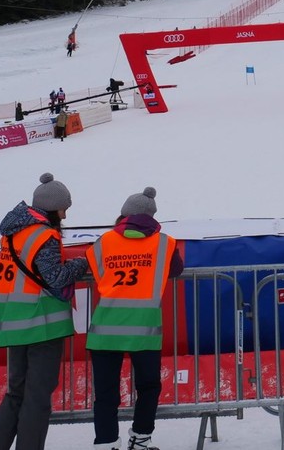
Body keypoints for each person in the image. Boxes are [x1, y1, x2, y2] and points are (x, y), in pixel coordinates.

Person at [0, 173, 89, 450]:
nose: (65, 214)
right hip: (42, 325)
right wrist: (81, 264)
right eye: (64, 208)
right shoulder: (44, 235)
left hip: (13, 322)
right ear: (54, 208)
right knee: (37, 397)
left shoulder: (14, 232)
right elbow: (55, 277)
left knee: (16, 393)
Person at [86, 186, 184, 450]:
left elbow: (94, 269)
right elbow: (175, 270)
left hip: (105, 329)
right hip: (144, 330)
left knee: (106, 393)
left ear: (124, 215)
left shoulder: (103, 242)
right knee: (149, 386)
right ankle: (141, 438)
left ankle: (106, 443)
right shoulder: (165, 243)